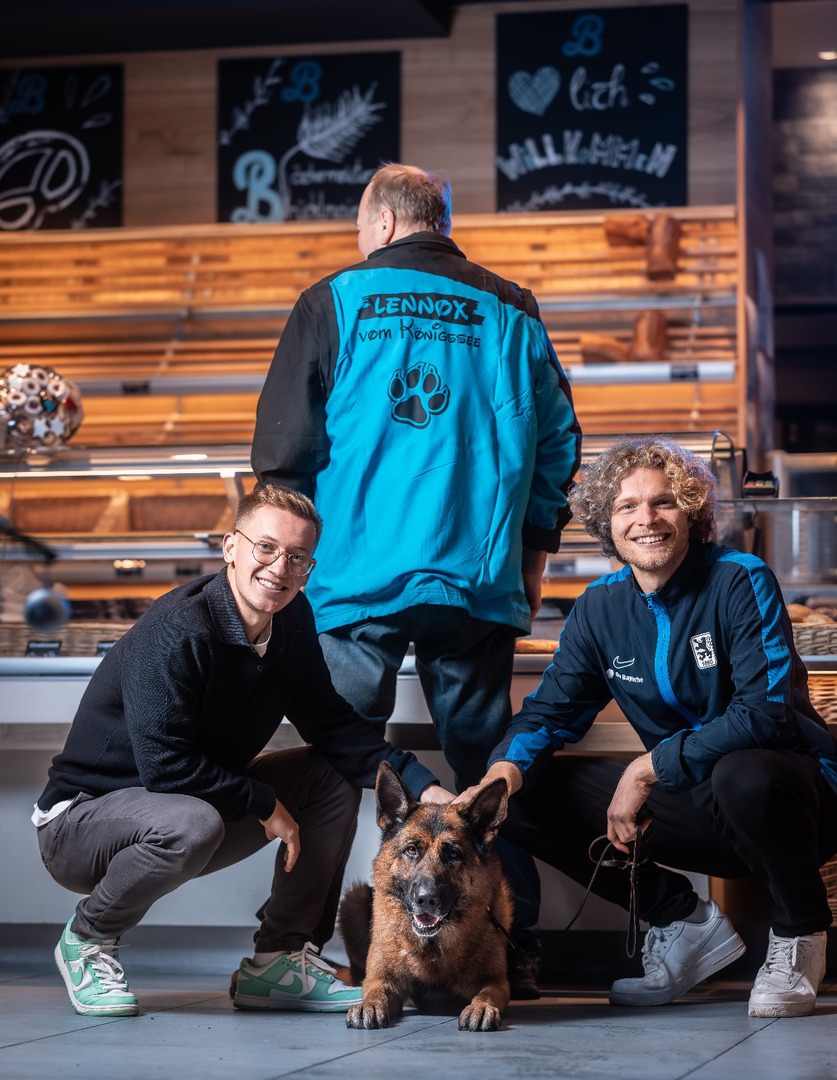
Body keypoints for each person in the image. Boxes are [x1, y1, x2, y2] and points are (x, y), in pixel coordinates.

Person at [251, 163, 582, 996]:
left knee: (340, 765)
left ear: (384, 224)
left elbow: (283, 451)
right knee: (486, 781)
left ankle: (294, 949)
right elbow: (557, 445)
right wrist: (531, 560)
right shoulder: (510, 307)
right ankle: (512, 951)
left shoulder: (333, 299)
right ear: (440, 221)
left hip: (353, 580)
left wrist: (282, 574)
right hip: (477, 580)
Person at [32, 484, 452, 1018]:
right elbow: (165, 767)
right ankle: (88, 938)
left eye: (297, 557)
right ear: (231, 547)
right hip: (79, 824)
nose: (279, 568)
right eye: (266, 548)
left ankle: (278, 960)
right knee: (193, 821)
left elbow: (331, 724)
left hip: (184, 809)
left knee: (331, 776)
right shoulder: (178, 629)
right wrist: (263, 802)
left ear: (308, 569)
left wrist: (423, 786)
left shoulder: (292, 620)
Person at [461, 435, 837, 1018]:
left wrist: (648, 768)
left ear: (691, 511)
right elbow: (549, 711)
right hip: (695, 804)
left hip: (794, 800)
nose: (647, 520)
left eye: (664, 502)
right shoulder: (599, 607)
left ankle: (799, 934)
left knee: (743, 774)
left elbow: (764, 713)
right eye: (627, 506)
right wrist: (503, 773)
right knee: (514, 800)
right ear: (606, 523)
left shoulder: (740, 578)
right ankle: (682, 921)